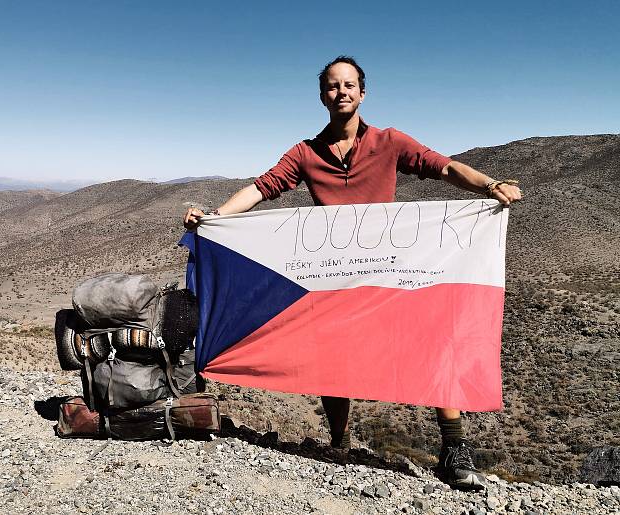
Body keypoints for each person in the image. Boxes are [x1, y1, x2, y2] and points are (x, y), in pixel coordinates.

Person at [183, 56, 522, 490]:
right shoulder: (305, 153)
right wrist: (214, 218)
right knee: (334, 355)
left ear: (362, 93)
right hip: (334, 276)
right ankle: (339, 444)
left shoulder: (389, 141)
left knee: (434, 339)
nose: (340, 92)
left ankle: (454, 449)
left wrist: (490, 186)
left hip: (391, 272)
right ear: (322, 95)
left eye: (348, 85)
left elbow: (445, 167)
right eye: (332, 86)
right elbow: (261, 188)